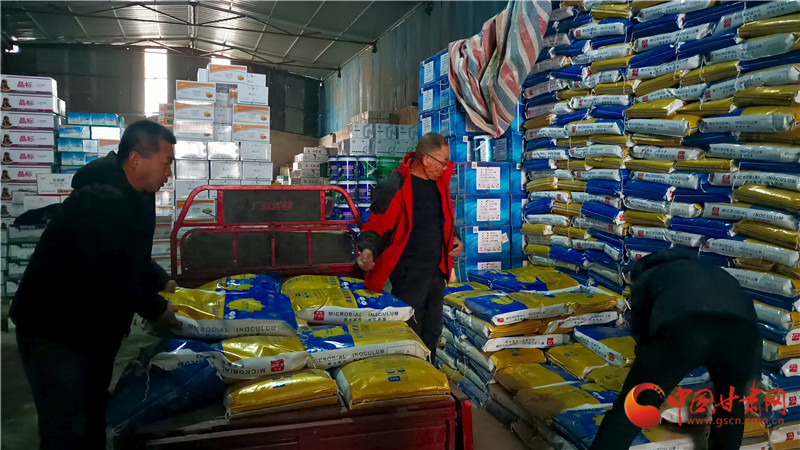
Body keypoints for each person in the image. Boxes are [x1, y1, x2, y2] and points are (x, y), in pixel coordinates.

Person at [10, 120, 182, 449]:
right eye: (166, 163)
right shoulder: (100, 199)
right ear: (136, 159)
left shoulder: (137, 193)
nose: (168, 173)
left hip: (92, 329)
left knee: (91, 416)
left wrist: (161, 280)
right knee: (67, 428)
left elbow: (128, 253)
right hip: (55, 330)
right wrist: (156, 308)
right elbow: (110, 270)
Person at [590, 248, 760, 450]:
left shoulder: (649, 274)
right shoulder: (714, 272)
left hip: (685, 328)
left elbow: (641, 329)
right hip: (742, 336)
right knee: (730, 404)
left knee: (633, 406)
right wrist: (751, 373)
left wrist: (648, 369)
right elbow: (749, 315)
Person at [356, 132, 463, 359]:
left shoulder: (439, 185)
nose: (446, 168)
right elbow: (377, 225)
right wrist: (368, 250)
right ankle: (407, 373)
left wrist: (454, 238)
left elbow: (442, 218)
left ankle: (427, 373)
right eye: (443, 162)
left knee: (432, 330)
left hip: (436, 273)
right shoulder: (395, 186)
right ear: (426, 160)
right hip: (408, 275)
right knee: (409, 332)